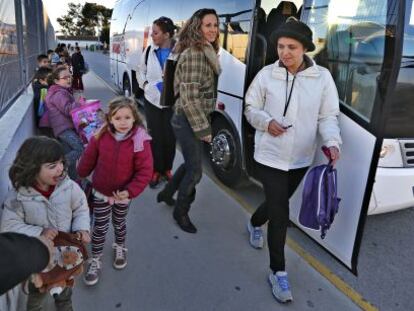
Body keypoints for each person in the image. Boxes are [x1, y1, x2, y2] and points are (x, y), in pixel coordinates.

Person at [244, 18, 342, 303]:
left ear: (305, 49)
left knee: (277, 203)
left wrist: (332, 143)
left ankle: (253, 222)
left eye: (292, 47)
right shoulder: (266, 75)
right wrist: (266, 122)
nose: (284, 53)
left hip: (300, 159)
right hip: (269, 156)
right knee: (281, 212)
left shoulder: (321, 77)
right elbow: (251, 108)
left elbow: (327, 116)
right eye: (280, 46)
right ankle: (278, 271)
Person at [0, 136, 90, 311]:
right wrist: (39, 232)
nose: (61, 169)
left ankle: (65, 306)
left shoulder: (68, 186)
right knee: (37, 296)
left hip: (66, 253)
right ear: (33, 169)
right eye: (52, 166)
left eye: (61, 163)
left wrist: (82, 227)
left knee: (65, 289)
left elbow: (81, 207)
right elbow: (8, 226)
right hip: (39, 260)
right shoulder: (18, 196)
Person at [156, 8, 221, 234]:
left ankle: (166, 194)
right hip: (188, 118)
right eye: (208, 25)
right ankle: (181, 211)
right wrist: (204, 129)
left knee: (190, 163)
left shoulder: (207, 49)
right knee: (195, 172)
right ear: (197, 27)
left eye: (215, 25)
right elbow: (189, 97)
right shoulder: (195, 53)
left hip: (191, 117)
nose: (213, 29)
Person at [77, 96, 153, 286]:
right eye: (117, 118)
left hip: (123, 196)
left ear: (134, 118)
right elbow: (88, 159)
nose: (123, 122)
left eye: (127, 117)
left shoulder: (139, 139)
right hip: (100, 192)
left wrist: (130, 191)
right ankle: (95, 259)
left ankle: (120, 247)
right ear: (109, 119)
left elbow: (145, 170)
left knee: (119, 223)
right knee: (99, 227)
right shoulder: (100, 135)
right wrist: (80, 174)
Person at [138, 16, 177, 188]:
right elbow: (140, 71)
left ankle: (167, 169)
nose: (152, 35)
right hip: (152, 101)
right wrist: (146, 85)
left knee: (170, 137)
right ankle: (155, 171)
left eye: (155, 32)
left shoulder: (180, 52)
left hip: (172, 103)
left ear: (167, 35)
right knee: (155, 137)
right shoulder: (148, 51)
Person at [45, 67, 84, 180]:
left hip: (63, 128)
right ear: (56, 81)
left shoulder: (60, 91)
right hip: (64, 128)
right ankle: (58, 167)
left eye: (69, 76)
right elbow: (68, 109)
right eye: (65, 78)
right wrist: (78, 103)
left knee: (70, 155)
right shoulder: (58, 94)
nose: (69, 79)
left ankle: (73, 180)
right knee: (79, 148)